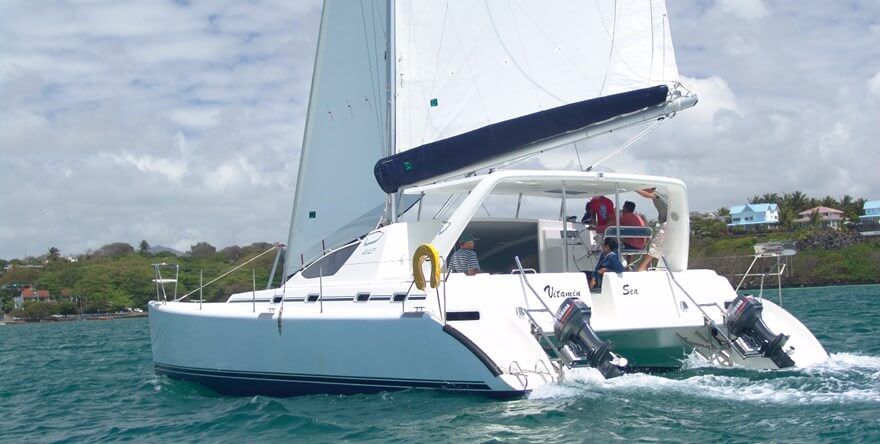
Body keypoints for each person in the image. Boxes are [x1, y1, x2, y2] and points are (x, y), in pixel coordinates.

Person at [636, 187, 670, 271]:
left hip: (668, 223)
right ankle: (648, 266)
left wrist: (635, 189)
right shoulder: (664, 192)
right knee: (659, 245)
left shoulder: (657, 193)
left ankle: (643, 267)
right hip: (670, 222)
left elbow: (649, 195)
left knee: (655, 245)